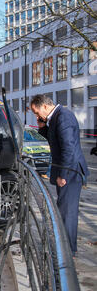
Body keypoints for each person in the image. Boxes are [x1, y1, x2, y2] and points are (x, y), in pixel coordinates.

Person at [30, 94, 89, 258]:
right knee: (63, 210)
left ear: (45, 106)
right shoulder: (56, 117)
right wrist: (42, 126)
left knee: (67, 213)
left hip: (70, 173)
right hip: (67, 172)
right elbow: (53, 139)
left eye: (36, 112)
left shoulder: (63, 117)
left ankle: (68, 252)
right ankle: (66, 248)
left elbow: (68, 150)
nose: (37, 116)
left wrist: (63, 175)